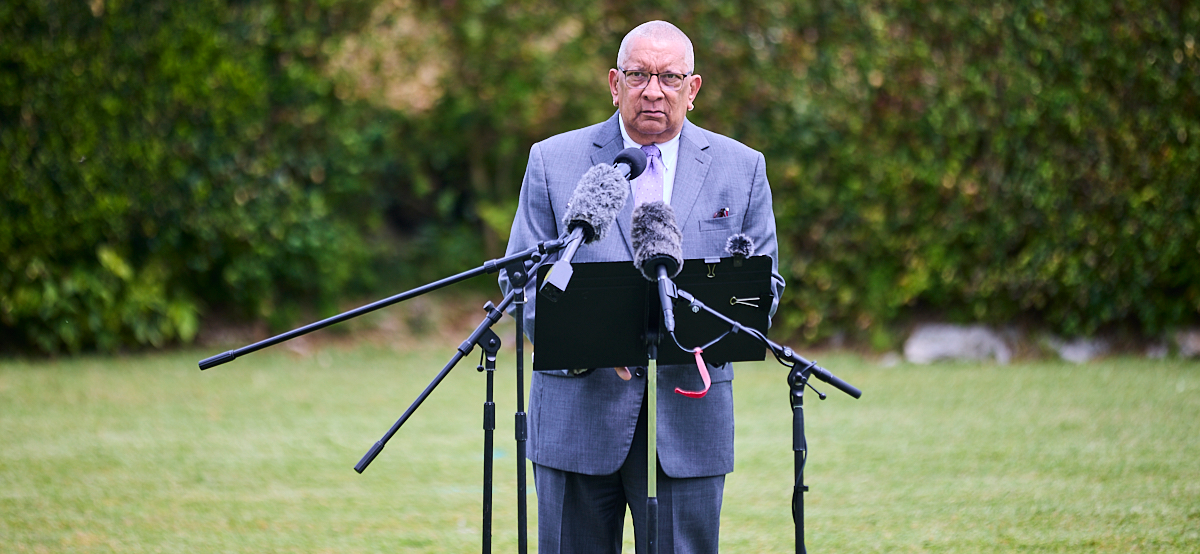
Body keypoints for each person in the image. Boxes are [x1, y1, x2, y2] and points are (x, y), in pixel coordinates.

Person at [500, 20, 784, 553]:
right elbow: (522, 279)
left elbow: (762, 286)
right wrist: (595, 345)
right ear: (615, 84)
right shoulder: (552, 161)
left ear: (692, 89)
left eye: (670, 77)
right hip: (576, 415)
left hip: (687, 419)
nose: (654, 90)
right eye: (638, 75)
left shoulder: (741, 168)